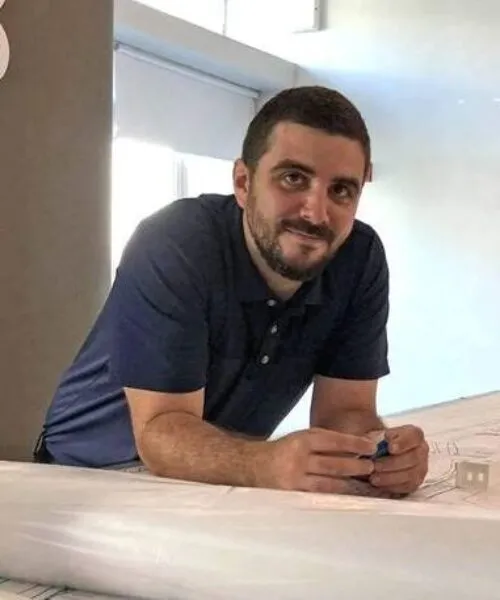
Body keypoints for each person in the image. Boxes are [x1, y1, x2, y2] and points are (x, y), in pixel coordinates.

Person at [35, 86, 429, 497]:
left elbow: (345, 411)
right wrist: (265, 462)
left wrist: (378, 453)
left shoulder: (358, 258)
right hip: (84, 480)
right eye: (293, 178)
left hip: (215, 484)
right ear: (243, 182)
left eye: (341, 190)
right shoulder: (176, 243)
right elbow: (159, 431)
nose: (316, 213)